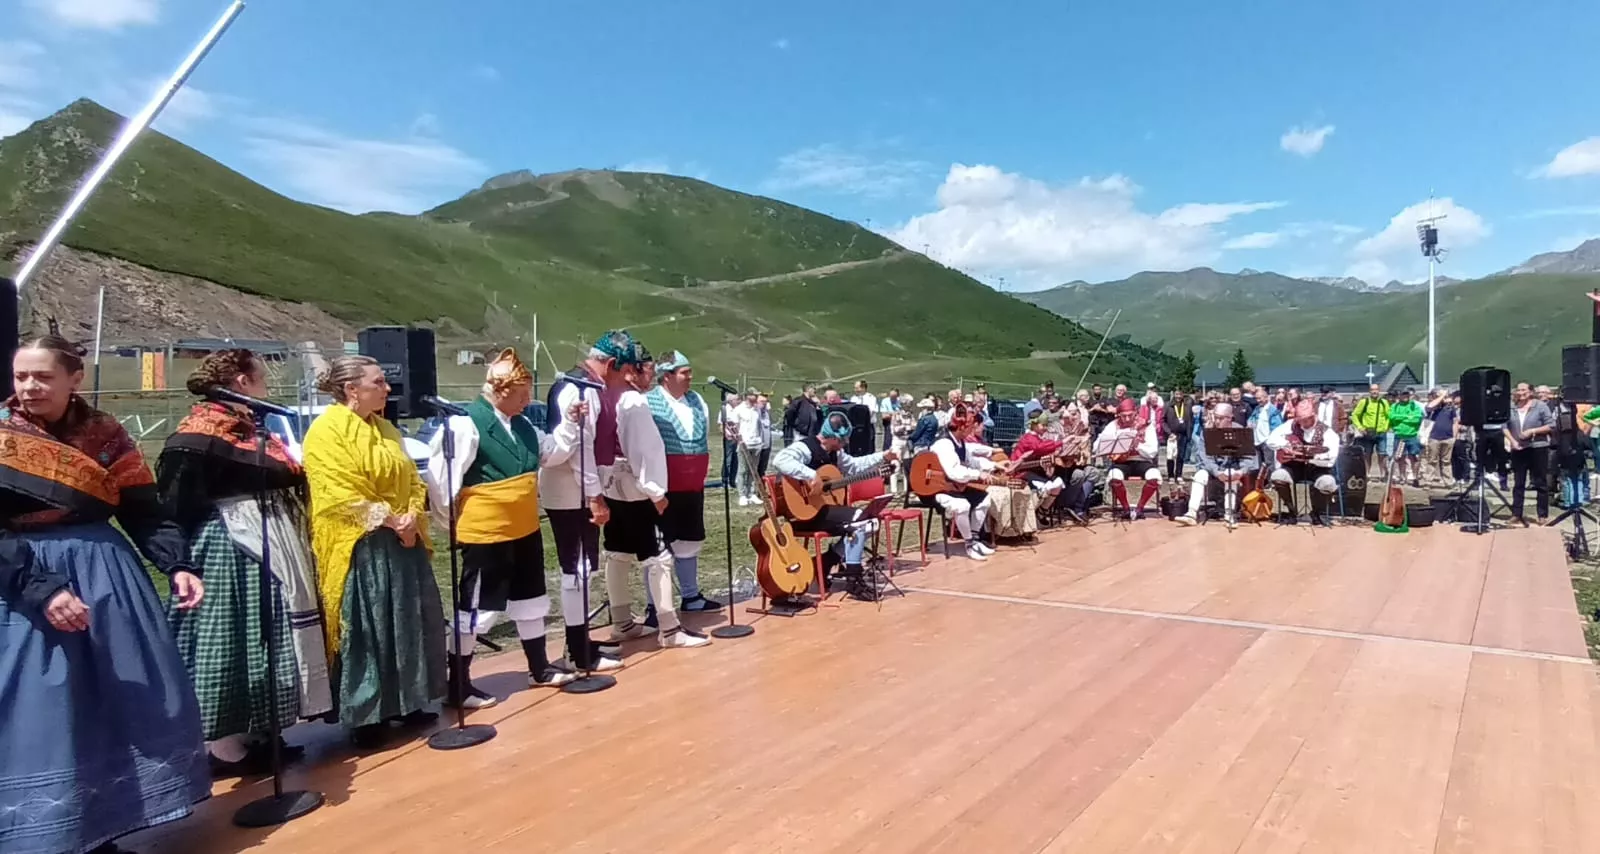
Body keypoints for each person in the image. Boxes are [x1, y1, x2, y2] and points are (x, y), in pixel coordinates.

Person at [0, 335, 209, 854]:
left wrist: (176, 563)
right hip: (21, 580)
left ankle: (101, 830)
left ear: (75, 379)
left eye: (43, 376)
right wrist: (43, 590)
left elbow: (142, 507)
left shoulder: (106, 435)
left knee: (116, 699)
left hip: (104, 579)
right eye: (21, 376)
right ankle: (44, 834)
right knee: (42, 708)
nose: (29, 387)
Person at [159, 349, 330, 777]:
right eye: (261, 378)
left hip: (272, 536)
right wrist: (182, 560)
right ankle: (224, 745)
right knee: (235, 635)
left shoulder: (250, 427)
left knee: (269, 633)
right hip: (232, 543)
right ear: (241, 381)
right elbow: (175, 503)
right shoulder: (197, 435)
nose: (266, 385)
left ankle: (262, 730)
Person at [425, 349, 590, 709]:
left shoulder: (523, 426)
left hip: (524, 527)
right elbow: (441, 480)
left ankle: (538, 667)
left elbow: (551, 452)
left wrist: (570, 424)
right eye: (521, 393)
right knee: (479, 607)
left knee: (530, 599)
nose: (527, 400)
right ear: (501, 390)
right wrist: (450, 520)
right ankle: (459, 684)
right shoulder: (466, 424)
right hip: (486, 532)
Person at [303, 355, 447, 748]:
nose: (387, 389)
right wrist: (387, 518)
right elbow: (336, 492)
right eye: (379, 382)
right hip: (360, 543)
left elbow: (410, 480)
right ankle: (368, 714)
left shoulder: (385, 429)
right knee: (367, 626)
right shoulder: (326, 431)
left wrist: (410, 517)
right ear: (352, 389)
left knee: (406, 620)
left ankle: (410, 699)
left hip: (402, 537)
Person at [602, 342, 712, 649]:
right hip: (639, 488)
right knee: (658, 556)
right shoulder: (636, 402)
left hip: (617, 485)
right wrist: (655, 490)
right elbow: (642, 449)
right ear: (633, 370)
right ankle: (668, 627)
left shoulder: (613, 397)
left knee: (619, 552)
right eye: (647, 368)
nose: (649, 374)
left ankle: (622, 621)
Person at [543, 332, 633, 675]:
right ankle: (576, 651)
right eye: (622, 371)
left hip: (575, 491)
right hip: (571, 494)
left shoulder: (584, 387)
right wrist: (594, 497)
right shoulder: (582, 390)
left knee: (582, 570)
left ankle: (579, 641)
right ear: (610, 364)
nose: (623, 379)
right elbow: (581, 450)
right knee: (576, 572)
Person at [640, 350, 722, 628]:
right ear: (667, 376)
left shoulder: (697, 400)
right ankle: (655, 606)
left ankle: (691, 596)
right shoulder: (648, 402)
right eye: (684, 373)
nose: (690, 377)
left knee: (689, 540)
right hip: (664, 484)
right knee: (659, 545)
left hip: (692, 484)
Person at [772, 409, 900, 584]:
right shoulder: (805, 447)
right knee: (861, 520)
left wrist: (883, 456)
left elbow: (854, 466)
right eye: (842, 440)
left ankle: (827, 561)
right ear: (830, 437)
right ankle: (851, 575)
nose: (845, 443)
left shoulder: (836, 453)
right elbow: (780, 460)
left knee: (869, 522)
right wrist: (810, 475)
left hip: (823, 510)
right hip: (803, 512)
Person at [926, 404, 1001, 560]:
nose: (970, 431)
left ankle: (974, 539)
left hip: (951, 486)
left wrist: (993, 466)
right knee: (962, 505)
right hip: (934, 488)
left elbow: (971, 460)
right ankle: (969, 545)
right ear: (960, 428)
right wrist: (978, 475)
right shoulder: (944, 444)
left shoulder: (960, 443)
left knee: (984, 499)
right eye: (968, 428)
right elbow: (955, 472)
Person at [1175, 402, 1256, 527]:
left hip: (1232, 470)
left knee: (1231, 474)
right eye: (1215, 417)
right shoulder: (1207, 432)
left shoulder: (1241, 431)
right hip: (1212, 470)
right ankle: (1191, 513)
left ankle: (1229, 515)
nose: (1217, 421)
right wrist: (1216, 471)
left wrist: (1241, 471)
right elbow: (1203, 457)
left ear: (1230, 417)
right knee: (1200, 475)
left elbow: (1249, 458)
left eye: (1220, 418)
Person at [1266, 401, 1342, 526]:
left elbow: (1331, 459)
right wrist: (1285, 445)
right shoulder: (1291, 424)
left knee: (1327, 483)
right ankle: (1291, 511)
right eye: (1300, 420)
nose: (1303, 424)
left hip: (1317, 468)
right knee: (1277, 476)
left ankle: (1316, 513)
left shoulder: (1327, 432)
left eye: (1306, 420)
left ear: (1314, 416)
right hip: (1294, 466)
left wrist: (1310, 458)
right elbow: (1271, 440)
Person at [1093, 398, 1163, 519]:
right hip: (1122, 462)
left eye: (1130, 415)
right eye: (1123, 416)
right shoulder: (1113, 425)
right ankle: (1125, 509)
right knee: (1114, 477)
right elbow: (1096, 446)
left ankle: (1140, 508)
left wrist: (1137, 446)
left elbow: (1152, 451)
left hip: (1141, 460)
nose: (1126, 419)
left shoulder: (1146, 425)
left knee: (1154, 476)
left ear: (1135, 413)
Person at [1505, 382, 1554, 525]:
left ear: (1531, 392)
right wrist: (1512, 441)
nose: (1521, 393)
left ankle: (1542, 515)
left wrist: (1533, 431)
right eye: (1518, 390)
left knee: (1540, 482)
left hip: (1537, 447)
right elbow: (1504, 426)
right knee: (1518, 482)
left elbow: (1550, 425)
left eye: (1524, 390)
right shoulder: (1511, 407)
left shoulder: (1540, 406)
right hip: (1518, 448)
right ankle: (1516, 513)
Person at [1011, 413, 1065, 512]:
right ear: (1035, 425)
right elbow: (1039, 447)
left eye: (1046, 425)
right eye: (1043, 425)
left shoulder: (1038, 438)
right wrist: (1061, 442)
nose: (1045, 428)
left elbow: (1043, 448)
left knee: (1058, 483)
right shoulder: (1028, 438)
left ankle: (1043, 510)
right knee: (1045, 486)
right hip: (1022, 471)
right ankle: (1031, 512)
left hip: (1034, 469)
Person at [1387, 388, 1425, 486]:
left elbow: (1417, 419)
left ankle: (1415, 477)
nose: (1405, 397)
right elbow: (1392, 417)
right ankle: (1402, 477)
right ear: (1399, 396)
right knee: (1400, 458)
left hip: (1412, 436)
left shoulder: (1414, 406)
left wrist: (1401, 418)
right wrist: (1407, 417)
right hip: (1400, 436)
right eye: (1403, 395)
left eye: (1407, 395)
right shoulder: (1395, 406)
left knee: (1414, 457)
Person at [1423, 388, 1459, 486]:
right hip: (1434, 437)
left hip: (1448, 437)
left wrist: (1454, 436)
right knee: (1432, 460)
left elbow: (1455, 422)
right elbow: (1430, 407)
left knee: (1446, 461)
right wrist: (1442, 396)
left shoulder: (1450, 408)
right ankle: (1428, 481)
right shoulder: (1432, 407)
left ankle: (1448, 482)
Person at [1350, 384, 1390, 470]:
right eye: (1372, 390)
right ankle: (1367, 474)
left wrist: (1386, 427)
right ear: (1369, 391)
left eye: (1376, 390)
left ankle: (1383, 474)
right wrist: (1360, 427)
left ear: (1379, 391)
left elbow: (1388, 416)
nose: (1374, 392)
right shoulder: (1364, 402)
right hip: (1368, 432)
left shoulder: (1384, 402)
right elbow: (1355, 415)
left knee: (1382, 454)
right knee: (1367, 454)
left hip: (1381, 432)